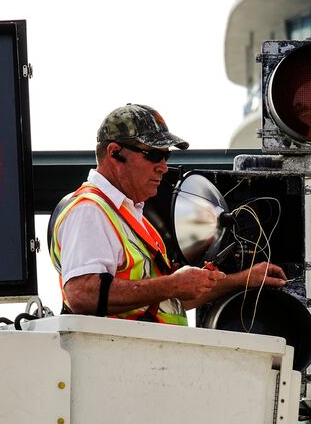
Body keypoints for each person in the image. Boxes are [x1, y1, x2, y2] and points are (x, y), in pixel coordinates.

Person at [49, 104, 287, 326]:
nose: (163, 166)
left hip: (139, 359)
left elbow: (175, 298)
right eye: (153, 154)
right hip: (118, 360)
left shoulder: (131, 217)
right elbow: (82, 294)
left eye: (166, 156)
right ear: (114, 152)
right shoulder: (90, 210)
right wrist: (173, 284)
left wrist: (244, 280)